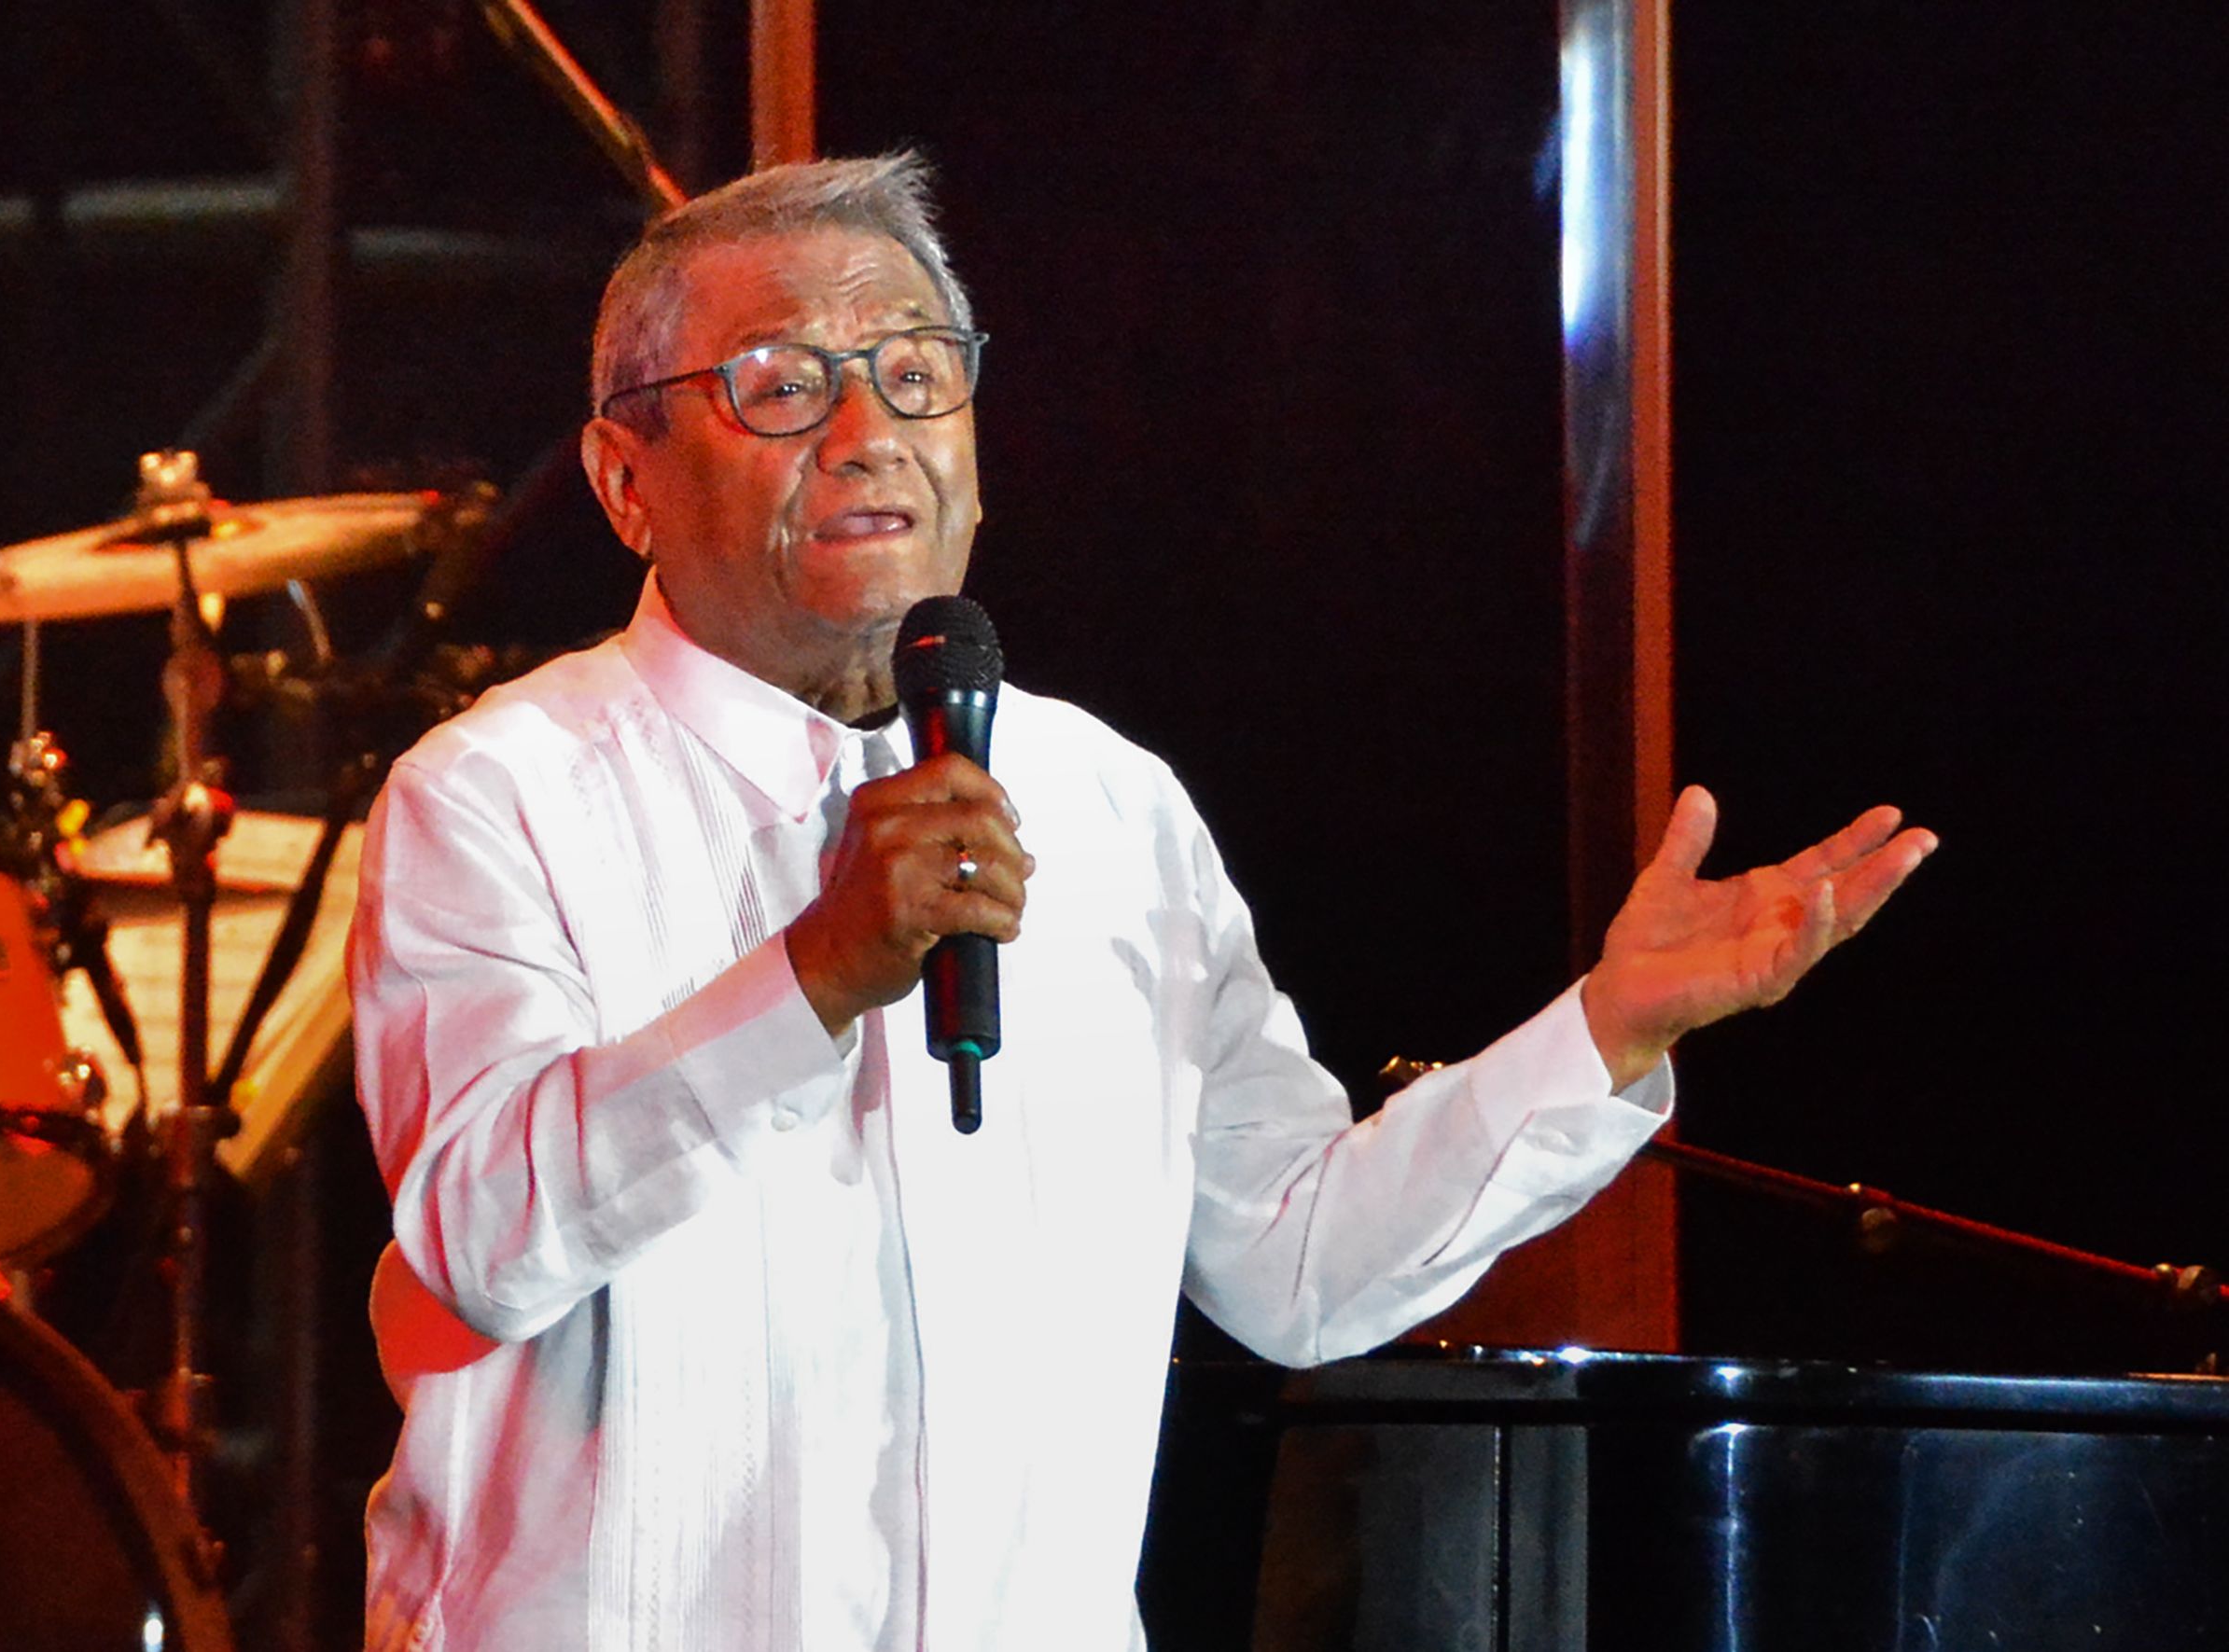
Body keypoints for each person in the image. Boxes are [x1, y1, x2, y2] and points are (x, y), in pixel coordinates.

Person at [347, 153, 1934, 1650]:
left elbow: (1300, 1264)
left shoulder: (1109, 806)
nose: (870, 431)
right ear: (625, 479)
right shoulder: (497, 796)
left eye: (916, 371)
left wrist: (1606, 1030)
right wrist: (816, 975)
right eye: (781, 384)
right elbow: (481, 1241)